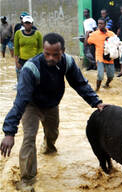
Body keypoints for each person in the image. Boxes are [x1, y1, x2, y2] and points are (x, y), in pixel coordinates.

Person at [0, 33, 107, 191]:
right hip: (32, 105)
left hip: (51, 105)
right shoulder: (31, 68)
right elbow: (20, 100)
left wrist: (96, 102)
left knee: (53, 133)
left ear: (63, 51)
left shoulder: (68, 62)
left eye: (55, 54)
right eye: (47, 53)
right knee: (29, 138)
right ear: (42, 50)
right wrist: (9, 132)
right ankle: (27, 180)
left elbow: (80, 84)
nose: (50, 58)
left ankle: (48, 146)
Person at [85, 18, 116, 91]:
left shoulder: (111, 34)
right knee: (100, 75)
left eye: (101, 23)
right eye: (98, 23)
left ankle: (107, 84)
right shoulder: (95, 34)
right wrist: (87, 34)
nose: (99, 25)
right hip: (99, 57)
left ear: (105, 24)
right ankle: (97, 89)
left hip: (109, 57)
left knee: (111, 76)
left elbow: (116, 43)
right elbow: (86, 44)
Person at [13, 16, 42, 81]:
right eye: (26, 23)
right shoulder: (18, 33)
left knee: (34, 81)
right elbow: (16, 48)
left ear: (32, 24)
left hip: (34, 61)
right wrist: (16, 62)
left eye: (29, 23)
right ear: (23, 23)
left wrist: (38, 60)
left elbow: (40, 48)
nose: (27, 25)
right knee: (21, 82)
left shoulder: (38, 34)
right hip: (21, 61)